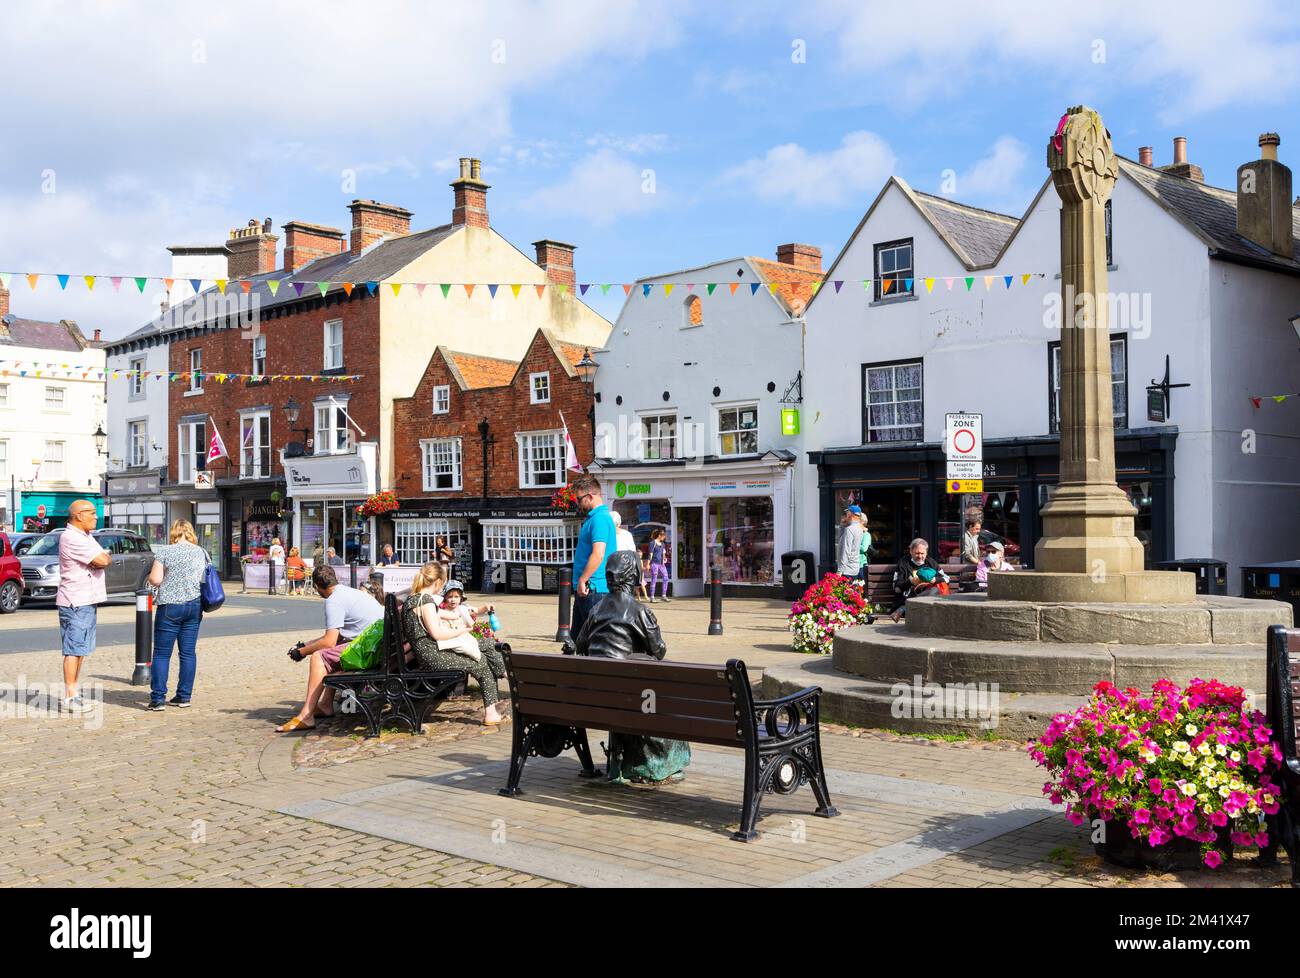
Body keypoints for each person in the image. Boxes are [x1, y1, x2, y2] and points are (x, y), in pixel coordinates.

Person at [573, 550, 688, 784]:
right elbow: (659, 651)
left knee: (636, 694)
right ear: (633, 576)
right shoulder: (640, 611)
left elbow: (581, 645)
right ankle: (654, 767)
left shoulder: (596, 610)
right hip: (629, 698)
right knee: (664, 702)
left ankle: (624, 764)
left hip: (595, 698)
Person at [276, 564, 384, 732]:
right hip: (379, 646)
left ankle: (306, 716)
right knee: (335, 652)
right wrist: (305, 645)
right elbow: (338, 637)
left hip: (371, 651)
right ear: (335, 579)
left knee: (320, 657)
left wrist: (302, 652)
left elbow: (329, 642)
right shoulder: (350, 592)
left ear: (317, 587)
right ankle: (325, 704)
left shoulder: (333, 600)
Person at [403, 563, 508, 726]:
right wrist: (463, 630)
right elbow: (437, 633)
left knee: (486, 643)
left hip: (428, 652)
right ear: (437, 581)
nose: (442, 587)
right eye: (443, 583)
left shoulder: (414, 599)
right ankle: (495, 707)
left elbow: (447, 615)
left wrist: (468, 613)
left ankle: (505, 676)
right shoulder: (426, 601)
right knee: (482, 664)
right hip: (433, 656)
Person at [56, 500, 111, 714]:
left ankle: (74, 693)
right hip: (75, 600)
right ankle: (70, 697)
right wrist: (100, 559)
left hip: (87, 599)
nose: (96, 517)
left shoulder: (86, 536)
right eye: (92, 513)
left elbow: (104, 557)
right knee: (73, 649)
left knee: (81, 650)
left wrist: (101, 559)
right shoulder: (71, 537)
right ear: (79, 515)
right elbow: (102, 560)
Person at [146, 519, 208, 710]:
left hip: (170, 606)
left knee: (162, 654)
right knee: (188, 653)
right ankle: (184, 696)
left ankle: (158, 699)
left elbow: (155, 579)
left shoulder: (165, 551)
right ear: (190, 532)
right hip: (194, 605)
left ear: (173, 532)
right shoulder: (201, 552)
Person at [570, 474, 617, 637]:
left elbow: (598, 553)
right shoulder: (594, 519)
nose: (577, 503)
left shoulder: (600, 519)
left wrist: (583, 579)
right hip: (588, 589)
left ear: (590, 496)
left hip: (594, 589)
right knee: (577, 640)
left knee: (595, 640)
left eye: (579, 499)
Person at [889, 537, 949, 623]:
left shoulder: (931, 562)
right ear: (911, 551)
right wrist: (910, 582)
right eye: (917, 553)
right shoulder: (903, 563)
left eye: (922, 553)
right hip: (908, 597)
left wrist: (935, 580)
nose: (920, 556)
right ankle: (906, 607)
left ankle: (904, 608)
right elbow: (896, 587)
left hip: (926, 602)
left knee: (935, 590)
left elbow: (946, 578)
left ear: (926, 552)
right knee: (933, 592)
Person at [610, 511, 649, 603]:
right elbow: (633, 553)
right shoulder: (627, 534)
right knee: (625, 598)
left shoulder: (607, 534)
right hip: (626, 570)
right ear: (619, 523)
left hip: (613, 569)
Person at [836, 505, 865, 580]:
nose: (846, 515)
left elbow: (846, 550)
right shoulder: (859, 528)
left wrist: (840, 570)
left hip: (847, 569)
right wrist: (842, 526)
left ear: (850, 514)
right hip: (854, 567)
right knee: (852, 591)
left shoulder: (849, 529)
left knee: (845, 591)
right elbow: (841, 541)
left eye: (847, 513)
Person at [645, 527, 670, 603]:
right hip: (654, 564)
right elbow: (650, 554)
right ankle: (652, 597)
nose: (664, 537)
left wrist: (665, 558)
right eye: (663, 536)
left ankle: (664, 595)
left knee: (666, 577)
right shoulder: (653, 543)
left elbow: (663, 553)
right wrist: (648, 564)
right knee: (654, 579)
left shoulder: (662, 544)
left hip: (661, 564)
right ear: (659, 535)